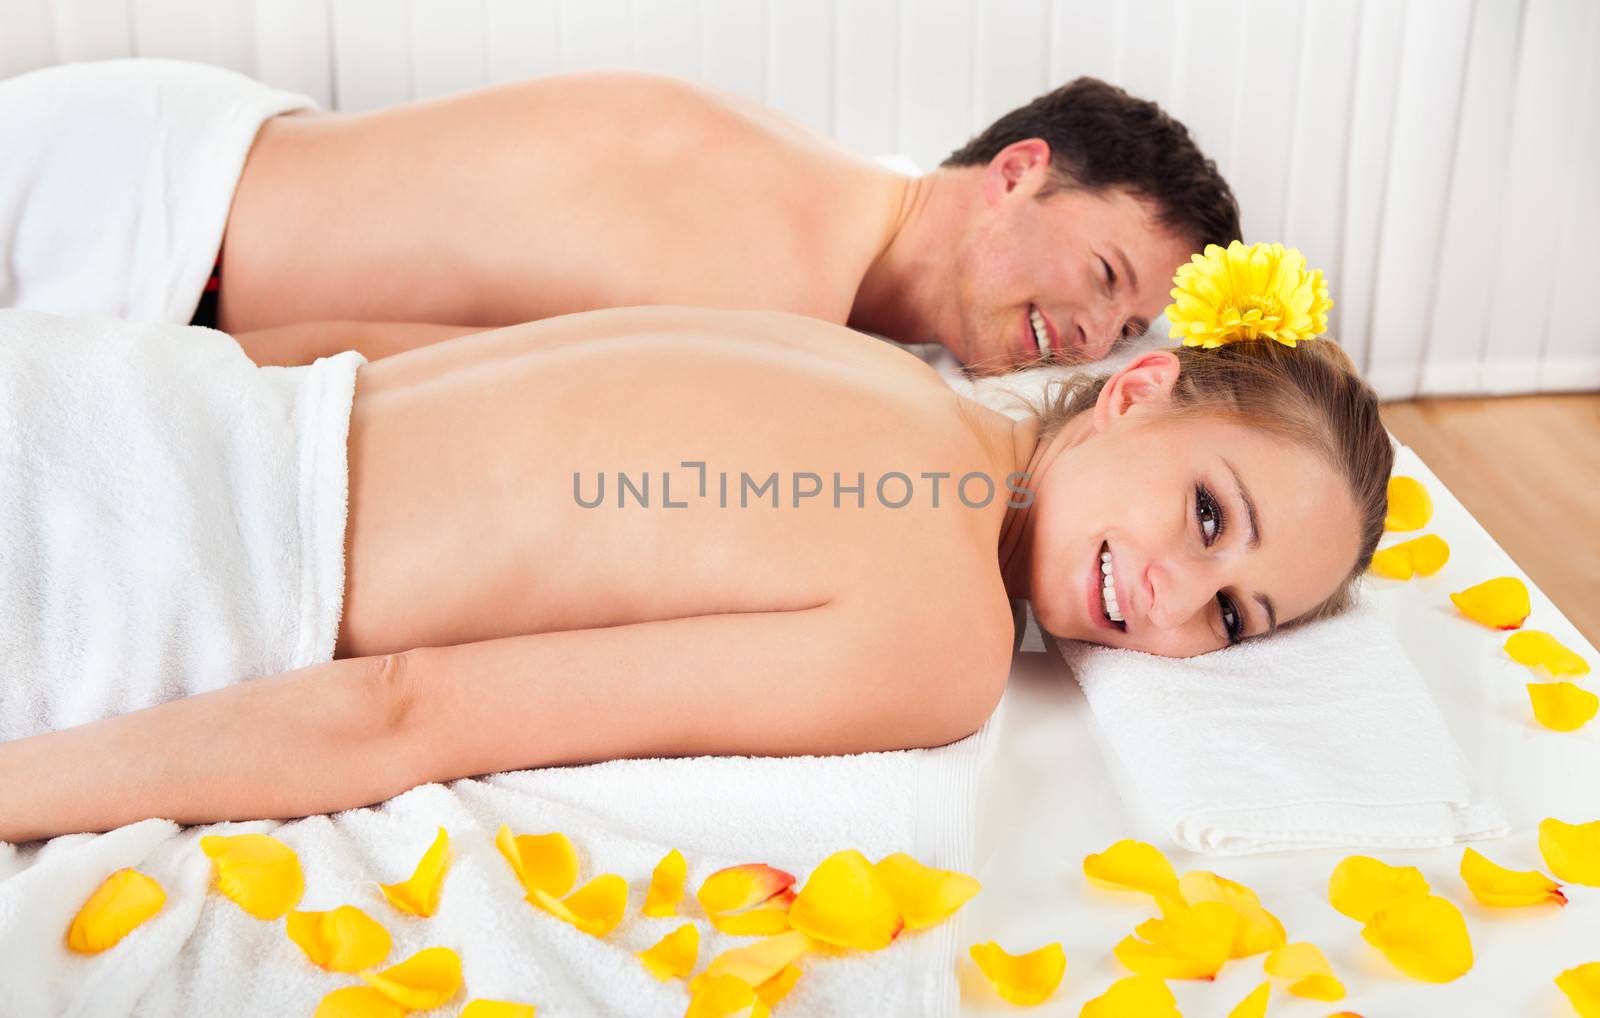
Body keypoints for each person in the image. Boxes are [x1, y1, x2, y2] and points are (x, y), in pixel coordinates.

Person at [0, 293, 1389, 843]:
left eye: (1235, 616)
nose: (1174, 596)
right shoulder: (940, 634)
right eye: (1210, 519)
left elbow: (379, 348)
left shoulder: (872, 366)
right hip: (121, 567)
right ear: (1139, 390)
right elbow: (404, 707)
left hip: (122, 390)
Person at [0, 60, 1239, 373]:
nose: (1093, 330)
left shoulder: (842, 228)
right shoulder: (778, 257)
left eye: (1128, 329)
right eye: (1105, 272)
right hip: (134, 214)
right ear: (1017, 170)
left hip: (190, 182)